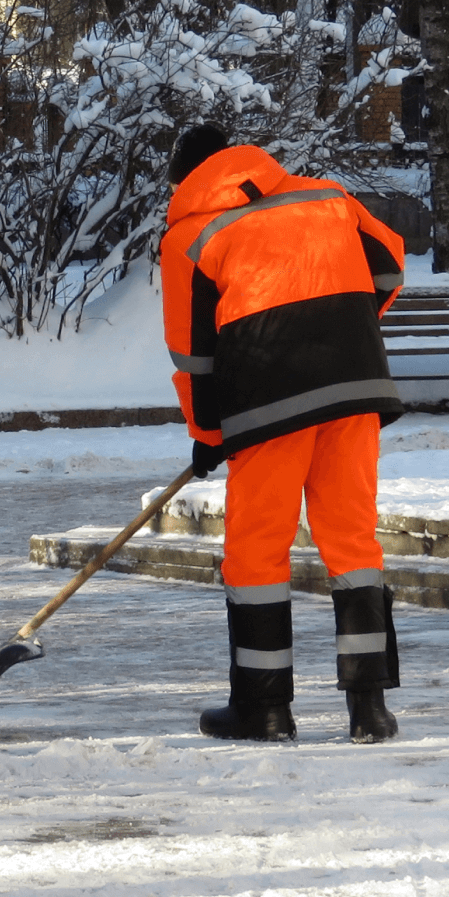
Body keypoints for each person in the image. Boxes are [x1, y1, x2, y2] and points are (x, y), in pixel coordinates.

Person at [159, 124, 407, 743]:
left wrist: (208, 430)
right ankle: (369, 709)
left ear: (184, 179)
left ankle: (264, 710)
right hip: (353, 391)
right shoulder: (326, 197)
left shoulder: (191, 235)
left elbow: (193, 354)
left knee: (258, 550)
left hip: (267, 402)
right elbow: (390, 265)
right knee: (352, 540)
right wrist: (336, 330)